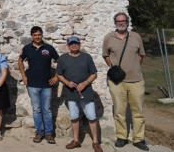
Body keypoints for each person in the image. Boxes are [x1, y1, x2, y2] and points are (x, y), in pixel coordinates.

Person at [102, 12, 148, 151]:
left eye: (123, 20)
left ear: (127, 21)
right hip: (117, 82)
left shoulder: (136, 37)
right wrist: (114, 68)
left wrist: (133, 68)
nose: (121, 23)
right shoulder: (109, 38)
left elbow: (141, 55)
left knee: (138, 111)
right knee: (119, 111)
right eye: (118, 21)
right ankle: (121, 137)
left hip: (136, 80)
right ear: (115, 22)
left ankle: (138, 139)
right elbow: (105, 55)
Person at [56, 36, 102, 152]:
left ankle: (96, 142)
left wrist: (85, 83)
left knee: (91, 117)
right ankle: (76, 140)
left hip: (86, 92)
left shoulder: (86, 57)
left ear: (79, 44)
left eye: (75, 43)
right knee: (74, 117)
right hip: (71, 93)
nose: (74, 45)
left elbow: (94, 74)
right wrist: (67, 83)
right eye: (71, 43)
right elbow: (59, 74)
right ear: (68, 45)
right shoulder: (63, 58)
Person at [18, 26, 59, 144]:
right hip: (32, 84)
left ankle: (49, 133)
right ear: (31, 36)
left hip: (46, 85)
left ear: (42, 35)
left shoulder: (49, 48)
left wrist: (56, 77)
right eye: (35, 35)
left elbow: (59, 61)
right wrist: (24, 76)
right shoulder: (27, 48)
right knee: (36, 109)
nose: (37, 37)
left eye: (39, 34)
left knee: (47, 109)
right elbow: (20, 60)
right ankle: (39, 132)